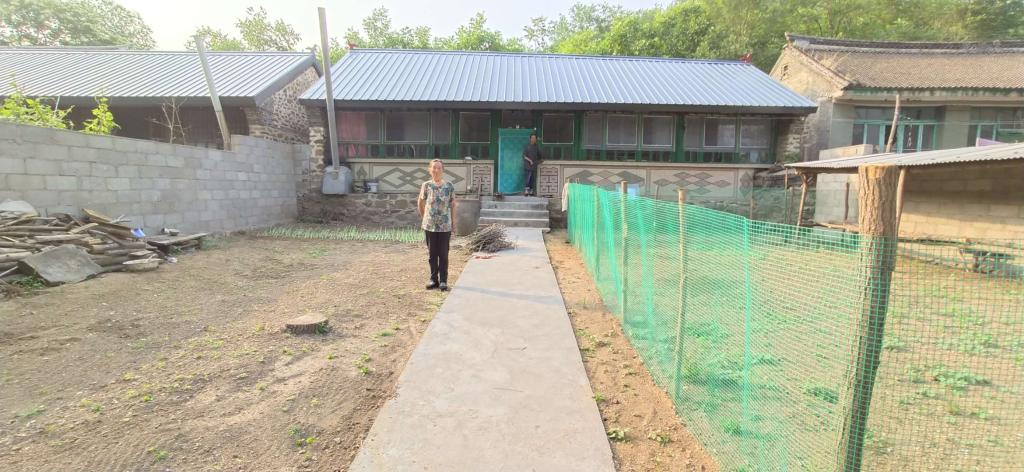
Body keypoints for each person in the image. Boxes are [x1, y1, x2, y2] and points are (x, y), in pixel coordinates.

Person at [417, 159, 457, 291]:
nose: (436, 170)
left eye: (439, 168)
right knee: (432, 254)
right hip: (430, 226)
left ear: (443, 170)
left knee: (444, 254)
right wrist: (424, 217)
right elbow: (420, 203)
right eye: (434, 167)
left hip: (445, 226)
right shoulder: (426, 185)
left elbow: (453, 205)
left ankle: (443, 280)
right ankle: (433, 279)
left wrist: (454, 223)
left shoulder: (449, 186)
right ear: (430, 169)